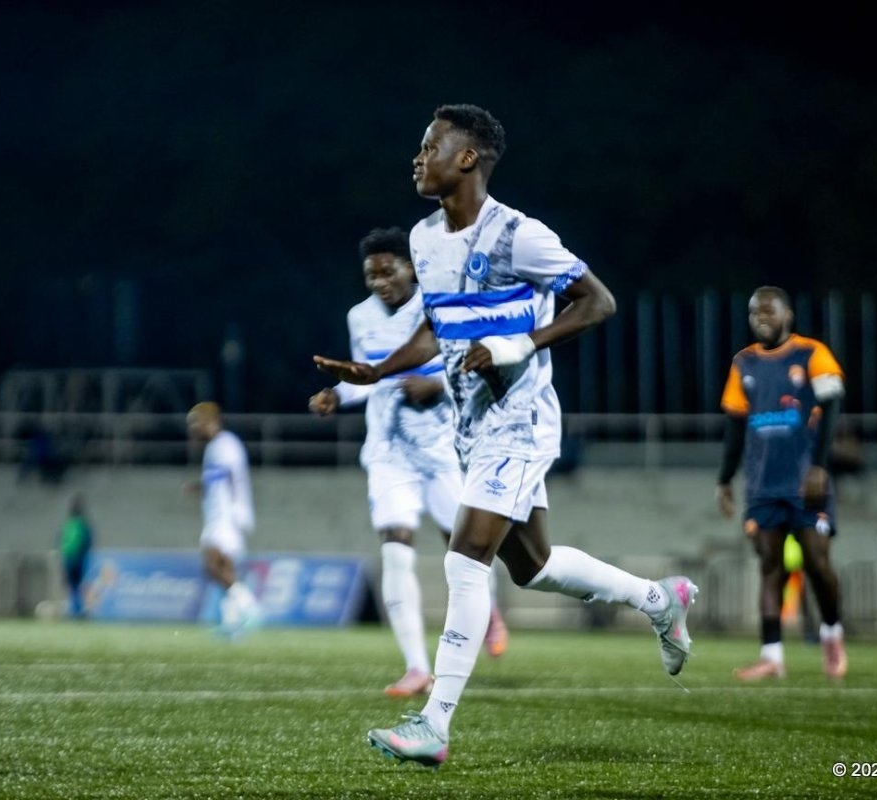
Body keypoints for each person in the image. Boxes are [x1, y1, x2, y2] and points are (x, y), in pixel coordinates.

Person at [314, 103, 698, 768]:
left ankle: (434, 725)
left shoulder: (520, 235)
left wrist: (520, 343)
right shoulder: (424, 239)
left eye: (429, 145)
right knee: (533, 566)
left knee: (465, 557)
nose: (417, 156)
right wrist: (378, 370)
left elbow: (597, 302)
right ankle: (660, 600)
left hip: (520, 421)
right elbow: (436, 326)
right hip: (471, 426)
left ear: (467, 157)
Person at [309, 225, 508, 698]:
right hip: (388, 454)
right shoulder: (360, 317)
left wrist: (435, 386)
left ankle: (490, 614)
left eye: (386, 271)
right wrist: (336, 395)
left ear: (411, 269)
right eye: (370, 274)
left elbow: (473, 369)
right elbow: (368, 380)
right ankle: (417, 667)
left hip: (443, 452)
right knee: (395, 549)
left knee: (465, 552)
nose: (378, 281)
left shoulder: (439, 308)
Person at [716, 285, 848, 681]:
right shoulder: (743, 363)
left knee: (817, 562)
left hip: (805, 481)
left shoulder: (811, 353)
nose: (762, 319)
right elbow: (735, 427)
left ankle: (831, 635)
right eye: (756, 313)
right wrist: (725, 480)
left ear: (787, 315)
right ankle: (772, 656)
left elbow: (832, 404)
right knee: (769, 566)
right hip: (762, 485)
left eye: (769, 312)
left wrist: (820, 466)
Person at [185, 401, 261, 638]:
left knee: (212, 563)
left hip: (226, 513)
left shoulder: (224, 443)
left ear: (210, 421)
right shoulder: (218, 445)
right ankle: (232, 622)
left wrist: (202, 484)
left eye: (197, 423)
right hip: (221, 513)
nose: (194, 429)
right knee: (223, 568)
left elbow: (227, 473)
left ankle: (249, 606)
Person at [58, 492, 94, 618]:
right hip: (70, 558)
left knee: (79, 585)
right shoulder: (71, 524)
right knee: (72, 585)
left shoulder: (80, 525)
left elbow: (87, 542)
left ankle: (80, 609)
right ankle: (74, 609)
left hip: (77, 559)